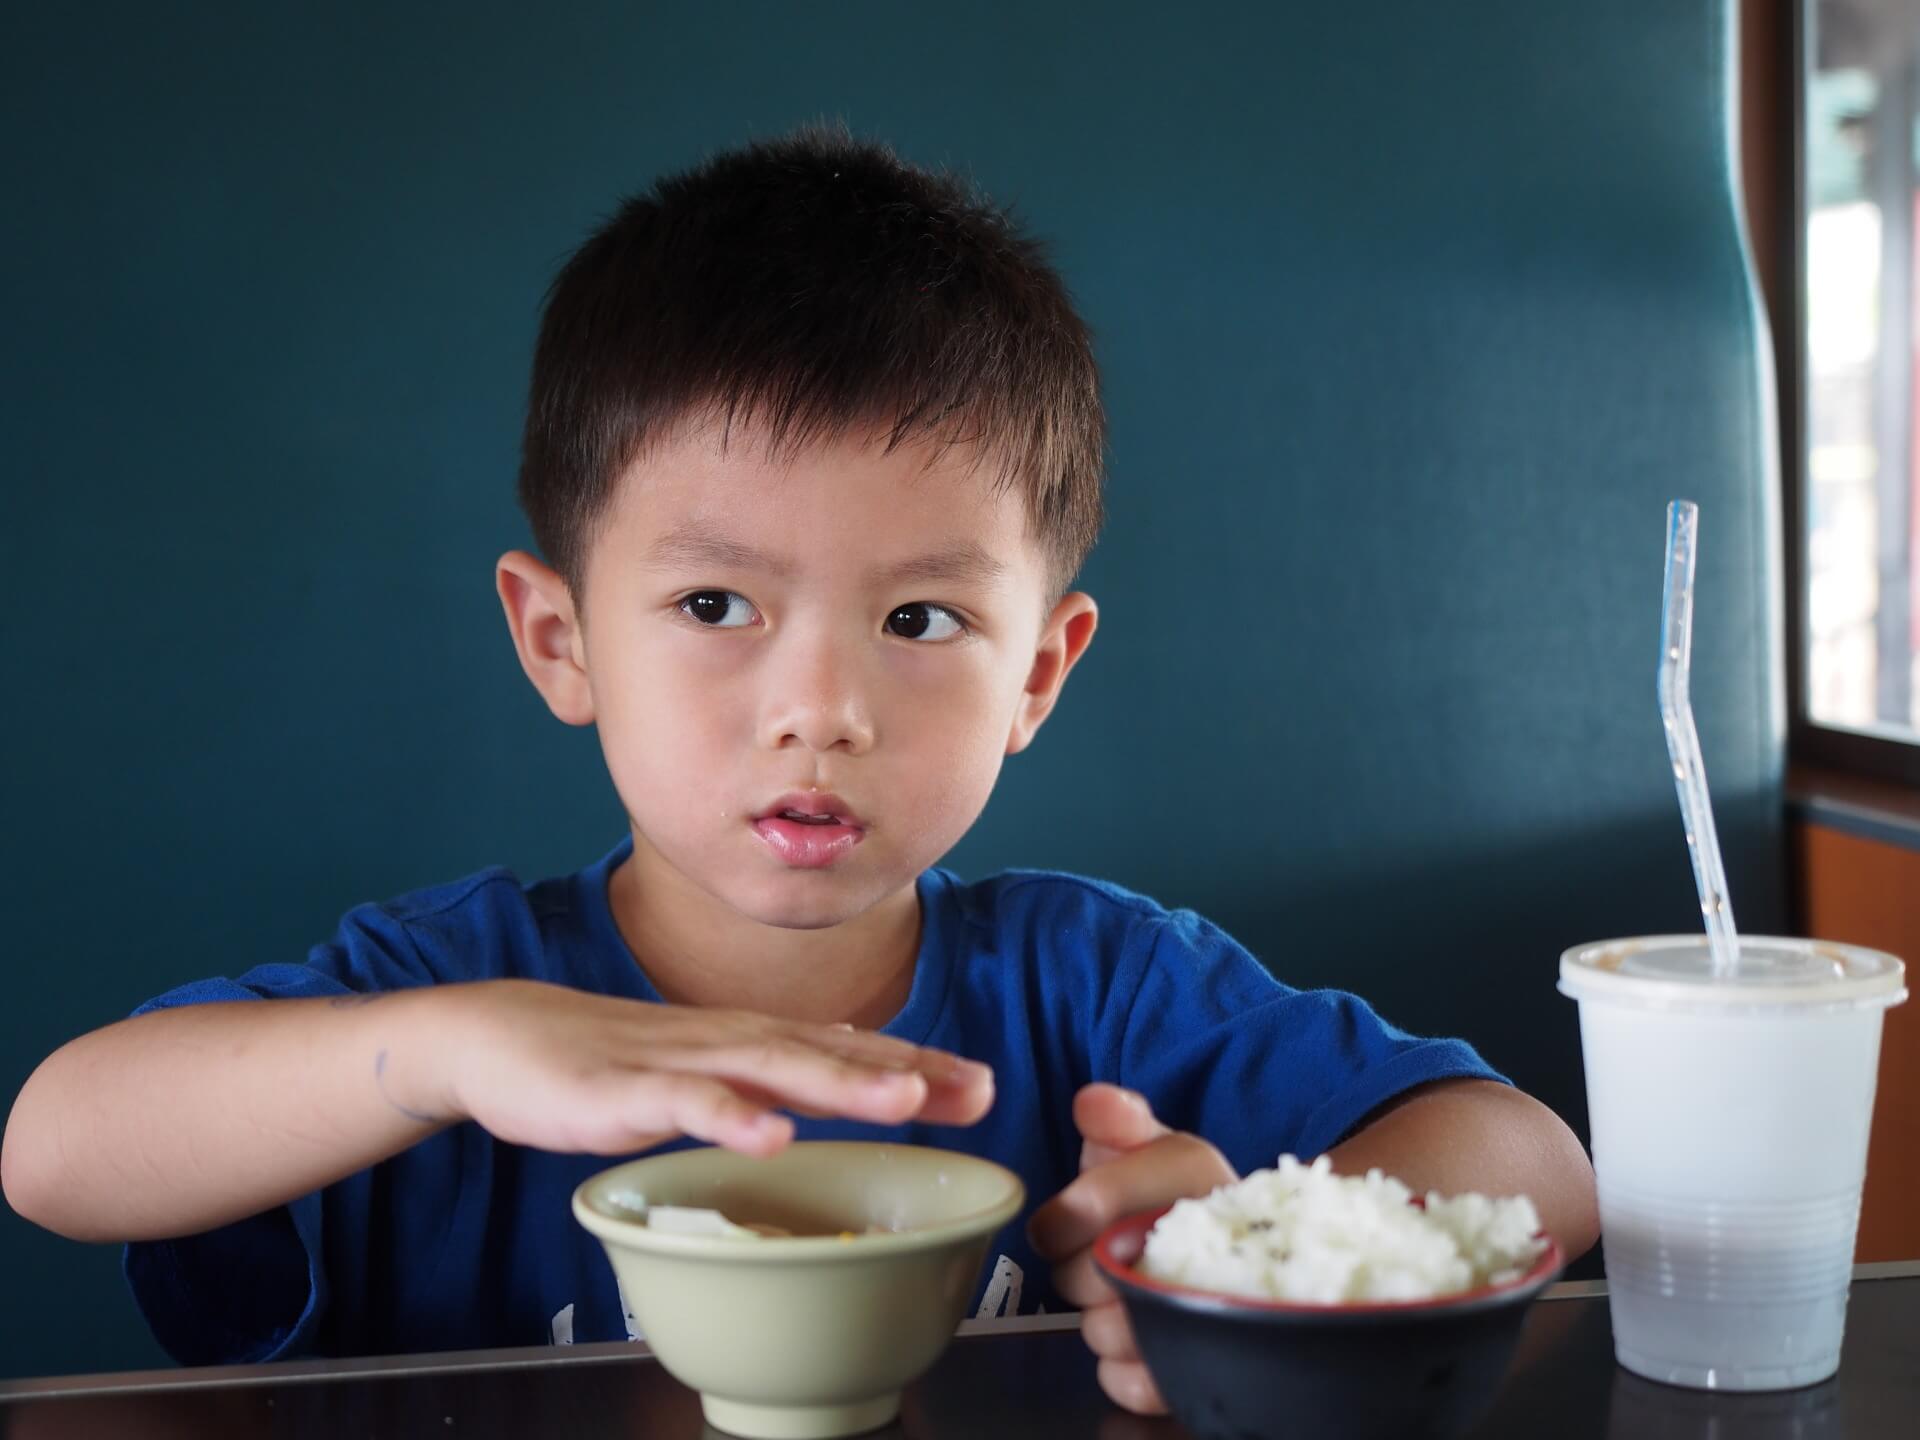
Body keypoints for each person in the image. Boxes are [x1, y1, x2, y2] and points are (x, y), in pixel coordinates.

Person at [1, 124, 1597, 1415]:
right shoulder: (450, 996)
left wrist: (1246, 1255)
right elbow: (60, 1150)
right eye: (715, 607)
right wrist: (440, 1056)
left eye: (920, 617)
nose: (820, 708)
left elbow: (1532, 1162)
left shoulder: (1103, 989)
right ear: (559, 640)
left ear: (1039, 670)